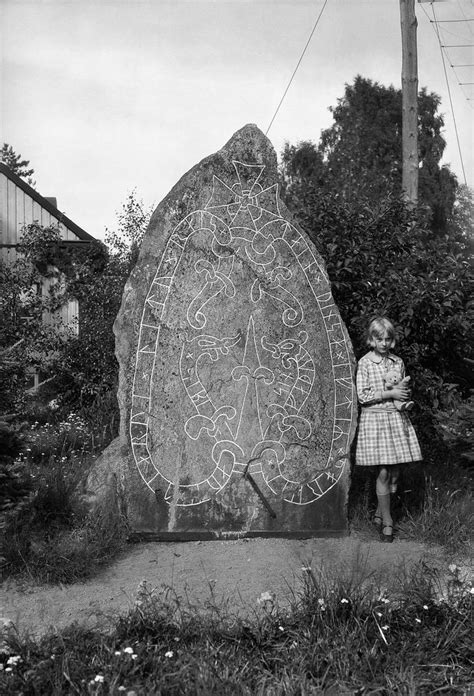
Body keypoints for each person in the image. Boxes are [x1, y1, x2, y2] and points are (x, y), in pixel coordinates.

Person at [355, 316, 422, 542]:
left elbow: (400, 389)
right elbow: (362, 396)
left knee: (395, 472)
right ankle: (388, 522)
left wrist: (402, 394)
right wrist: (389, 394)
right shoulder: (365, 362)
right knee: (383, 471)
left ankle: (378, 512)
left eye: (387, 339)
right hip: (375, 421)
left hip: (395, 419)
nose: (384, 343)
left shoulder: (397, 362)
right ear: (371, 340)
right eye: (379, 339)